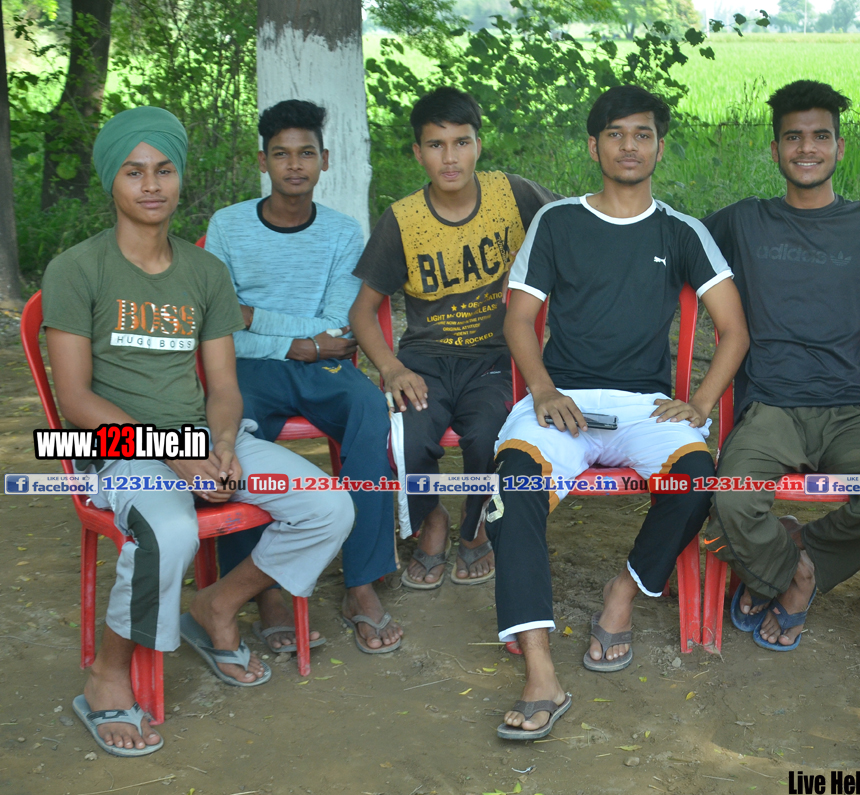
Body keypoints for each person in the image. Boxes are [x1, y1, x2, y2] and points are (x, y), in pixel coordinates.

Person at [41, 107, 352, 757]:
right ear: (111, 180)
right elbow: (75, 401)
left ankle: (216, 605)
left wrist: (225, 445)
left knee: (329, 504)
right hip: (111, 445)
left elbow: (225, 386)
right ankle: (106, 675)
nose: (151, 185)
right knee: (171, 529)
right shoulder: (77, 268)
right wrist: (175, 452)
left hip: (199, 440)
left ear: (180, 177)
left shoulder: (204, 273)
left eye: (164, 170)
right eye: (134, 172)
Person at [490, 85, 750, 740]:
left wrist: (699, 402)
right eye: (615, 134)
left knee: (696, 481)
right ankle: (541, 672)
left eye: (642, 134)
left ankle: (623, 593)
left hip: (644, 408)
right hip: (564, 401)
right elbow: (519, 319)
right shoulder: (558, 222)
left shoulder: (681, 230)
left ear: (659, 146)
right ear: (593, 146)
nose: (629, 146)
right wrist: (542, 389)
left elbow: (734, 330)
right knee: (512, 486)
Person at [701, 80, 860, 652]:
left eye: (820, 136)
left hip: (852, 410)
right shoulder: (744, 222)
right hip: (770, 408)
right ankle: (796, 576)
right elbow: (668, 248)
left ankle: (792, 557)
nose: (807, 148)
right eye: (793, 137)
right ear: (775, 150)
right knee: (731, 498)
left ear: (839, 146)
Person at [205, 100, 402, 655]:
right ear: (262, 161)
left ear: (325, 160)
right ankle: (262, 588)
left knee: (369, 410)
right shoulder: (227, 226)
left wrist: (261, 320)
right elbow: (220, 324)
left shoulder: (342, 231)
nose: (294, 165)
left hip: (326, 366)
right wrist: (297, 342)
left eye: (306, 153)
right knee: (231, 433)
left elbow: (338, 323)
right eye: (281, 154)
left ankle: (360, 581)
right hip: (250, 367)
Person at [349, 87, 560, 589]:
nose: (450, 157)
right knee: (410, 435)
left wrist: (544, 265)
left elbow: (571, 227)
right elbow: (362, 312)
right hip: (424, 358)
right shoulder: (402, 219)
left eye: (461, 142)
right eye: (436, 145)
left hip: (495, 356)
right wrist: (392, 368)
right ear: (418, 153)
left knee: (488, 433)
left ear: (478, 146)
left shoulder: (513, 194)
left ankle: (474, 523)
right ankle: (432, 519)